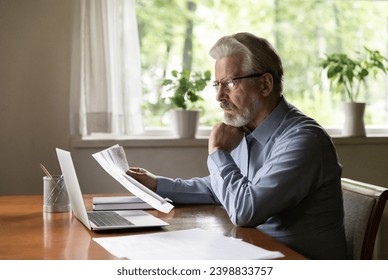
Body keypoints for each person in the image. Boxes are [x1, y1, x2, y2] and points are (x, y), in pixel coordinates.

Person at [127, 32, 348, 260]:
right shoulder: (248, 129)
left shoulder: (303, 140)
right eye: (217, 84)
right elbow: (221, 188)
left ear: (265, 84)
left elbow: (245, 211)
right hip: (258, 254)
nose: (219, 96)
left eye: (230, 83)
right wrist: (157, 185)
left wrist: (218, 152)